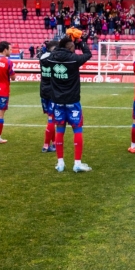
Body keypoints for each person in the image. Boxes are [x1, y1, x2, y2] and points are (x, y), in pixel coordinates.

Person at [48, 32, 93, 173]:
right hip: (72, 100)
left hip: (57, 101)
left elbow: (49, 51)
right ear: (71, 48)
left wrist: (64, 43)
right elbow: (88, 54)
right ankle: (77, 163)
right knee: (77, 129)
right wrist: (80, 41)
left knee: (60, 130)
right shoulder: (74, 59)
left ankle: (60, 163)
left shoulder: (51, 58)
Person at [39, 41, 59, 152]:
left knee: (50, 118)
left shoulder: (42, 57)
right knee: (52, 120)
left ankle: (54, 143)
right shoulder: (54, 58)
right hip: (53, 91)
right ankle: (46, 145)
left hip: (43, 90)